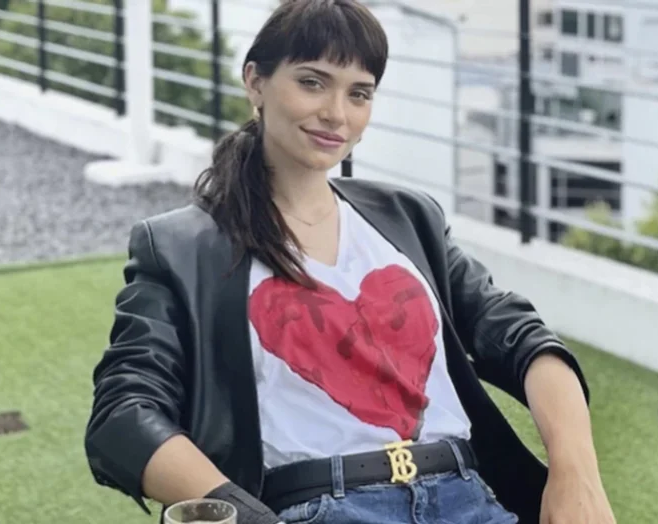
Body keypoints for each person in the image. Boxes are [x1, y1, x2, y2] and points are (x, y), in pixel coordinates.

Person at [84, 1, 616, 523]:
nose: (337, 114)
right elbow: (124, 414)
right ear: (256, 82)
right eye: (312, 82)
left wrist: (576, 473)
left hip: (468, 499)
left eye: (359, 93)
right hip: (320, 506)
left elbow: (523, 338)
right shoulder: (183, 246)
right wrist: (249, 517)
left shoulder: (408, 219)